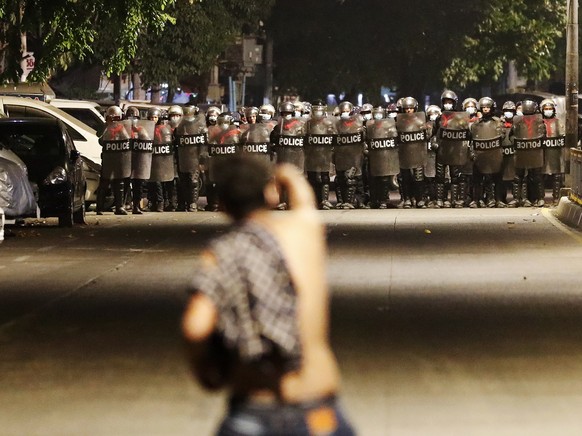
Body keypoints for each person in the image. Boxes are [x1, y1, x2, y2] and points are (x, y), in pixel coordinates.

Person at [182, 156, 355, 435]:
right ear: (270, 194)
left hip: (254, 410)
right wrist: (282, 174)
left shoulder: (220, 253)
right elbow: (304, 201)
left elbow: (195, 327)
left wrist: (207, 373)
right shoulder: (303, 234)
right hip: (317, 410)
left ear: (222, 204)